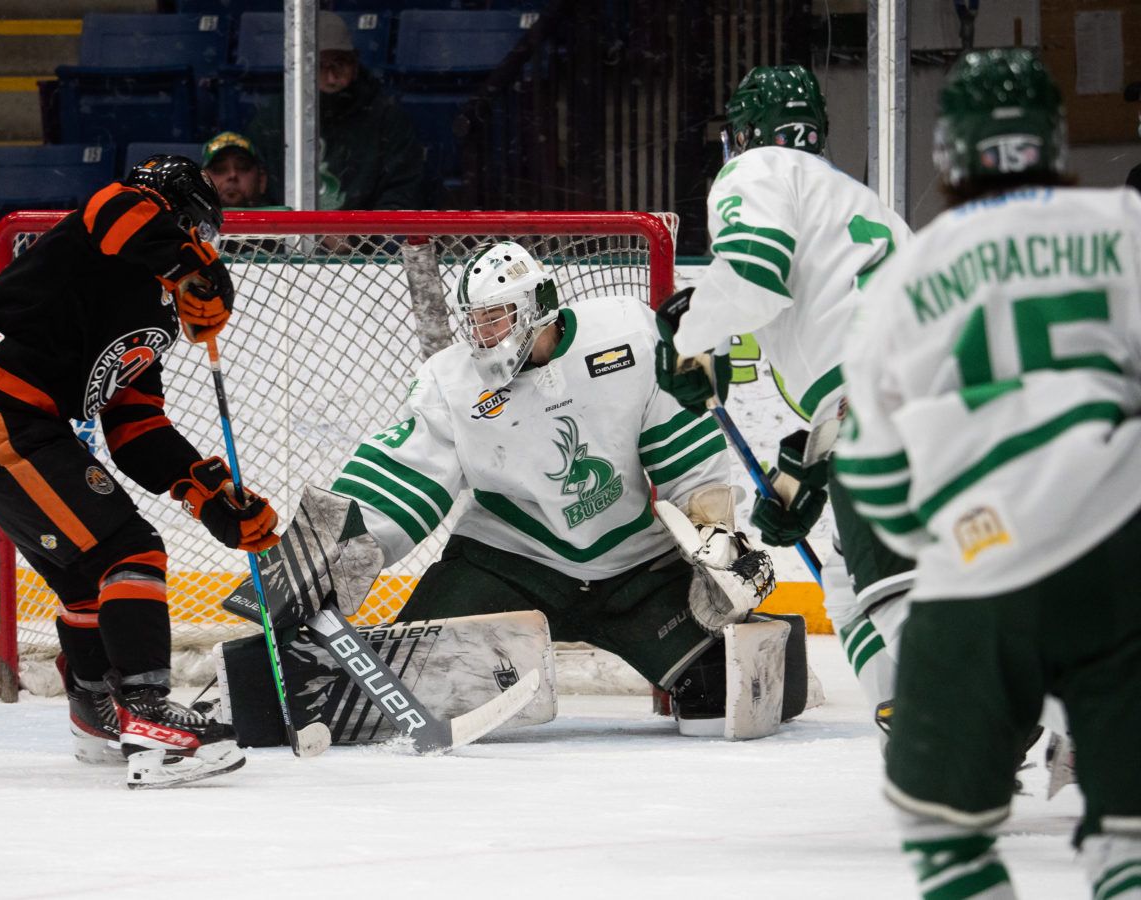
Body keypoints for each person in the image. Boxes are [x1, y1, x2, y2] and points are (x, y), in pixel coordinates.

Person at [219, 240, 811, 742]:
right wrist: (329, 552)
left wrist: (713, 536)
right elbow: (405, 476)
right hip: (506, 564)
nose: (483, 335)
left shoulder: (628, 334)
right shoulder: (452, 382)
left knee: (730, 693)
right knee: (400, 683)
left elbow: (686, 460)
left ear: (542, 304)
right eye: (476, 321)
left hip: (637, 569)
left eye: (498, 318)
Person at [834, 48, 1141, 897]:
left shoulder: (909, 276)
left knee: (945, 837)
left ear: (951, 154)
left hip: (989, 565)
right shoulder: (1125, 229)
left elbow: (873, 472)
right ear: (1054, 142)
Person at [0, 155, 279, 788]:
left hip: (5, 412)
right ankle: (150, 719)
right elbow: (114, 207)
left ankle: (97, 716)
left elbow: (135, 427)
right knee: (131, 550)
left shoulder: (152, 314)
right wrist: (191, 267)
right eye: (201, 233)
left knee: (85, 572)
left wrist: (204, 491)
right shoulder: (104, 231)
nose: (205, 247)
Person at [654, 64, 915, 734]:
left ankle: (947, 716)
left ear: (743, 132)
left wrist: (692, 332)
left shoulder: (758, 171)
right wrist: (805, 469)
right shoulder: (858, 201)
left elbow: (753, 275)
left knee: (874, 590)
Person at [249, 11, 425, 211]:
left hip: (366, 239)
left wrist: (362, 235)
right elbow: (254, 193)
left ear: (355, 63)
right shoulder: (273, 120)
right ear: (300, 67)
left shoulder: (386, 119)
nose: (331, 77)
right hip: (288, 237)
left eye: (340, 64)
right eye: (320, 66)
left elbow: (402, 191)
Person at [202, 130, 274, 208]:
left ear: (261, 180)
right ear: (203, 181)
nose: (232, 175)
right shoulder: (189, 219)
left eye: (243, 167)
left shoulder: (278, 218)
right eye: (219, 169)